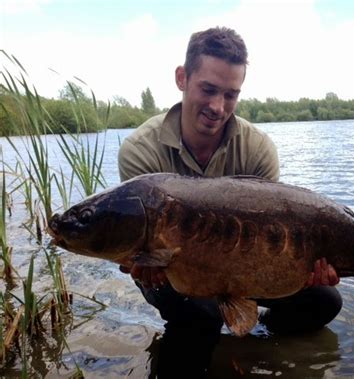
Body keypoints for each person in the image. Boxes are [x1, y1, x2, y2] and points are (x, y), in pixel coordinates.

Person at [118, 26, 341, 377]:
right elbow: (139, 248)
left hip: (245, 266)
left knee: (324, 302)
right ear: (182, 78)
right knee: (199, 312)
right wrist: (140, 263)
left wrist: (303, 270)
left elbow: (274, 240)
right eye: (208, 89)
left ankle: (254, 342)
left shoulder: (257, 148)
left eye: (230, 95)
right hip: (172, 271)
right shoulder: (140, 150)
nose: (217, 107)